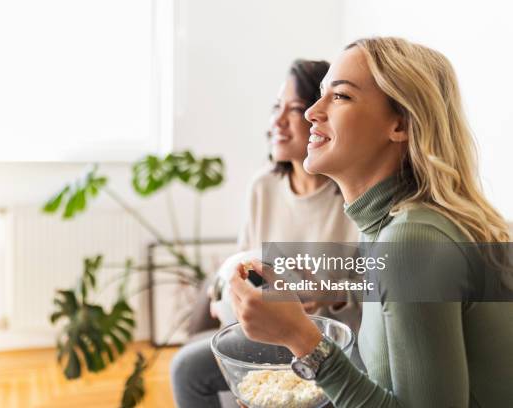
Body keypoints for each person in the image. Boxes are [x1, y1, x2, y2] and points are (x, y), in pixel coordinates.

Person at [231, 37, 513, 407]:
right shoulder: (389, 228)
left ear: (400, 124)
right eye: (320, 95)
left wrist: (301, 337)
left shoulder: (412, 240)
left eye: (341, 96)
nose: (312, 112)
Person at [169, 60, 360, 408]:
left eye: (296, 109)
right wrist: (228, 292)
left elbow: (371, 307)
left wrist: (328, 296)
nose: (278, 121)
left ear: (322, 117)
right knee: (185, 369)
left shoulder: (351, 196)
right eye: (277, 108)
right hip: (268, 333)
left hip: (330, 343)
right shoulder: (264, 187)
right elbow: (242, 264)